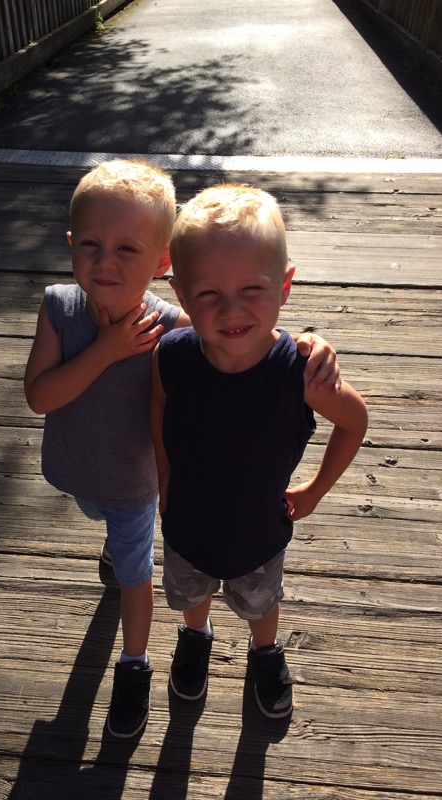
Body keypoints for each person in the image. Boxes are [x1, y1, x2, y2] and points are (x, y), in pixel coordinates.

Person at [24, 160, 341, 738]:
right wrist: (107, 350)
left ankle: (148, 662)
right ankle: (174, 612)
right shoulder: (62, 310)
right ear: (71, 244)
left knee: (152, 572)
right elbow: (42, 398)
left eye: (127, 248)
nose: (106, 261)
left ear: (160, 263)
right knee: (117, 534)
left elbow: (239, 332)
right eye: (91, 245)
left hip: (144, 491)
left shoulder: (171, 324)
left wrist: (311, 343)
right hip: (83, 474)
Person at [150, 183, 368, 719]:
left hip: (260, 533)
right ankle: (196, 635)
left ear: (285, 286)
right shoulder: (171, 354)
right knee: (191, 594)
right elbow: (159, 402)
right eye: (208, 294)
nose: (232, 309)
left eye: (252, 288)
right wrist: (164, 473)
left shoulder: (300, 372)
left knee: (261, 602)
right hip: (187, 524)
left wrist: (315, 491)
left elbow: (354, 421)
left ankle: (265, 650)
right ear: (180, 294)